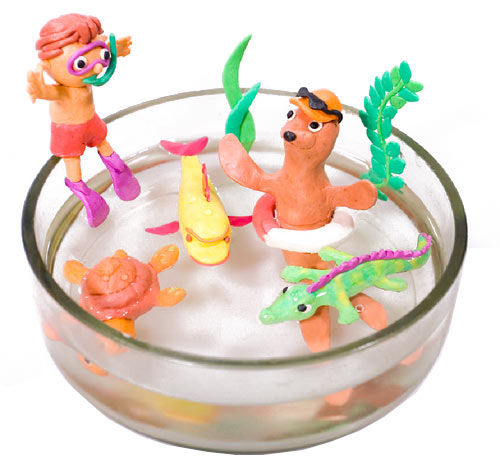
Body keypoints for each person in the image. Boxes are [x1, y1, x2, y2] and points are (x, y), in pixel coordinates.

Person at [27, 13, 140, 227]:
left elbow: (104, 47)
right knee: (74, 163)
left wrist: (115, 51)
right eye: (81, 63)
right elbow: (48, 92)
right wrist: (39, 89)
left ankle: (117, 168)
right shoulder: (62, 91)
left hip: (90, 121)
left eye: (101, 56)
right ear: (49, 65)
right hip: (68, 132)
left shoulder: (87, 79)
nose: (98, 68)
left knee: (103, 143)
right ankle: (83, 192)